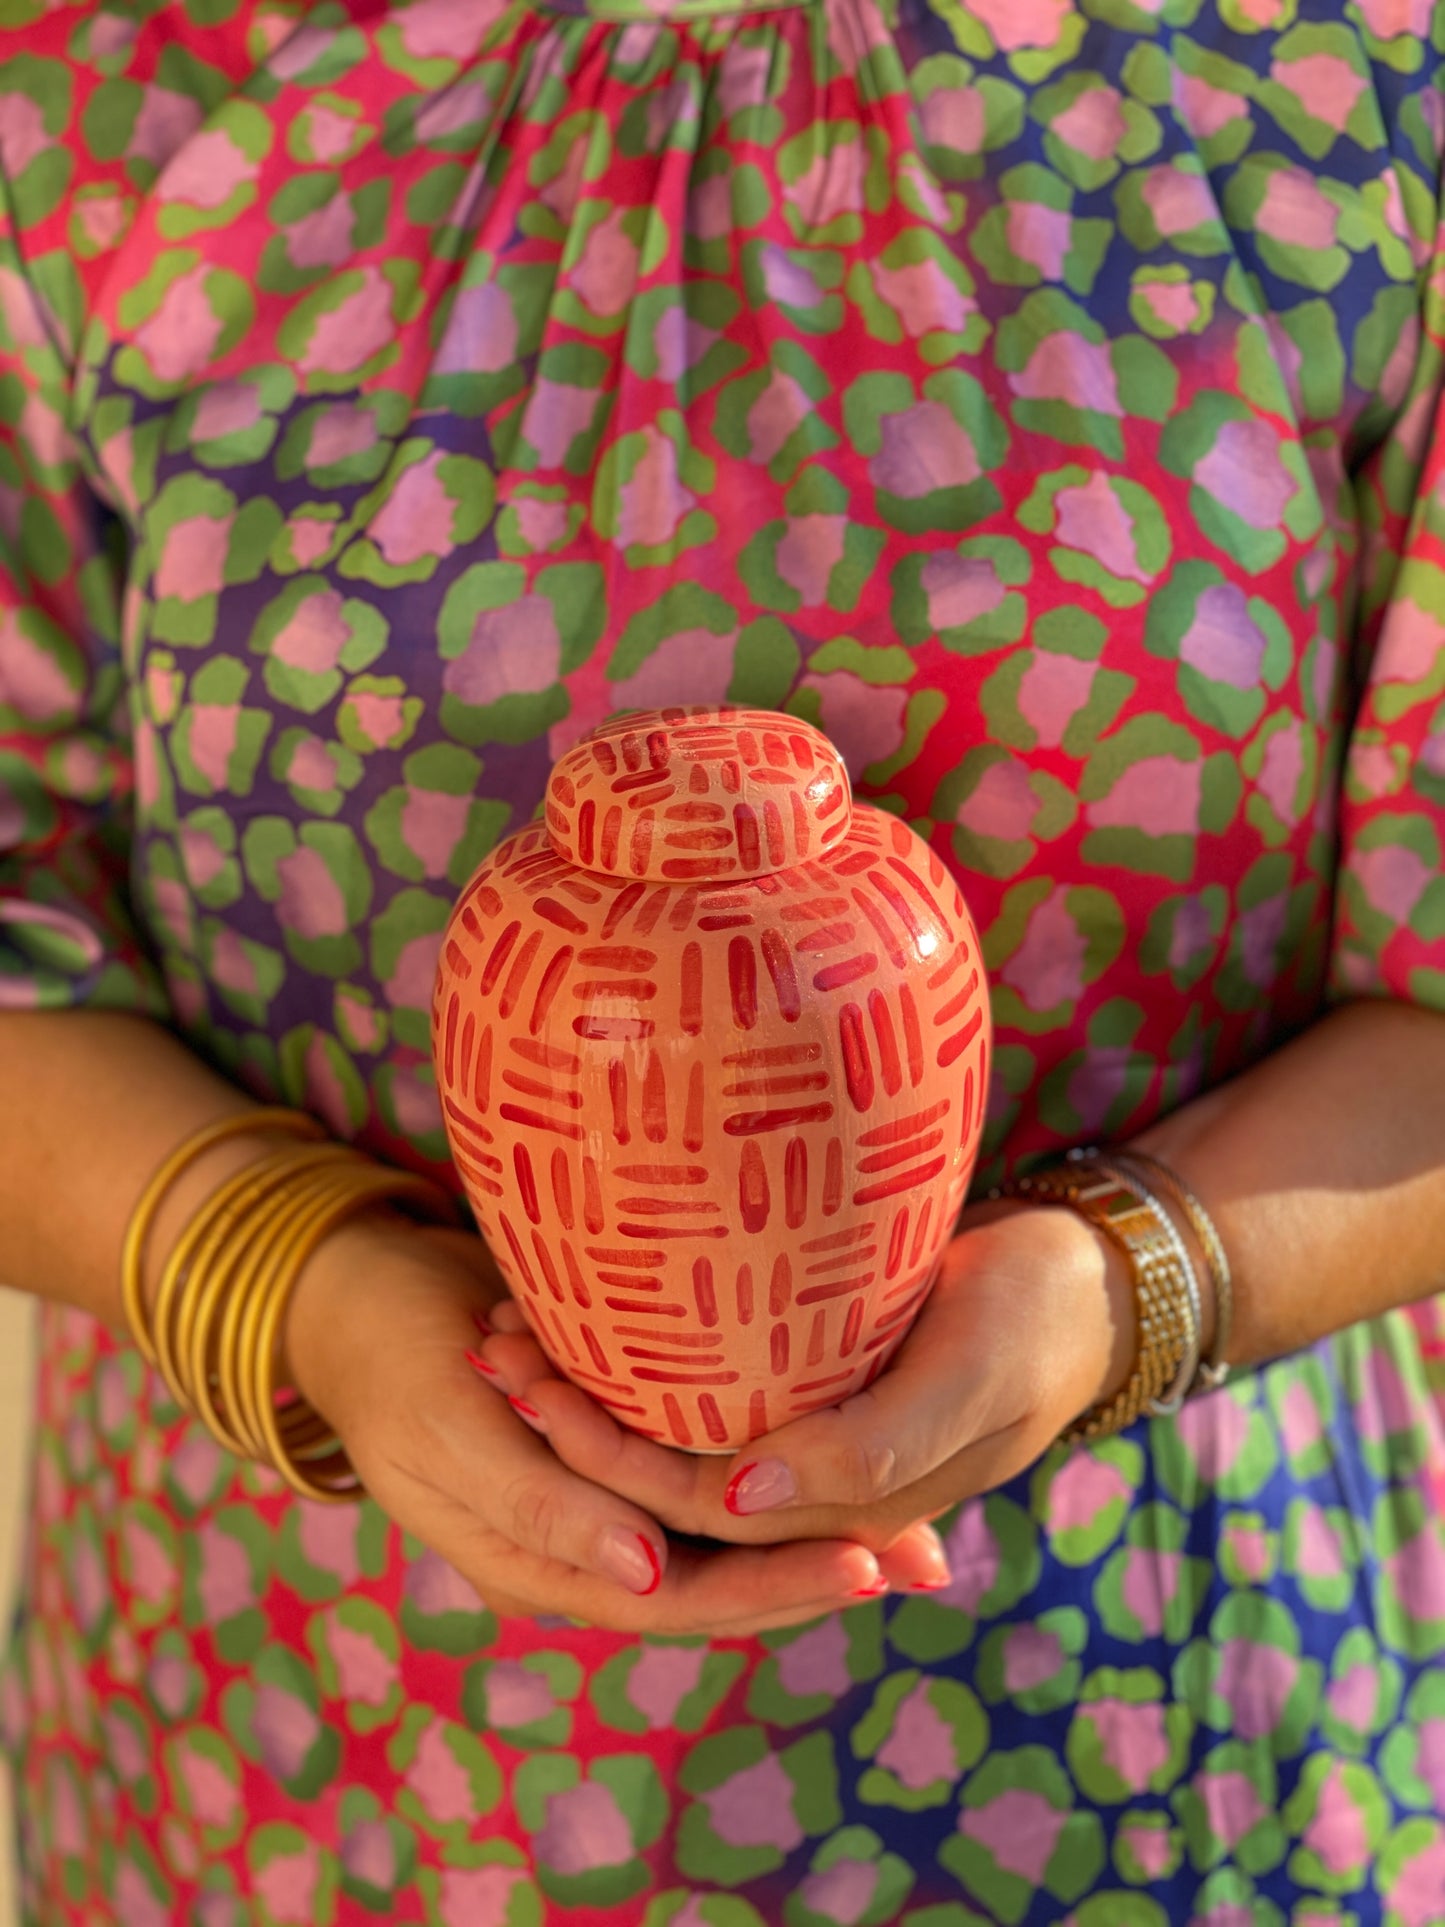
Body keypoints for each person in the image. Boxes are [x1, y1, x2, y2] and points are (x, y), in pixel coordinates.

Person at [1, 0, 1443, 1919]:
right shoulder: (98, 96)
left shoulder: (1351, 80)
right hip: (309, 1763)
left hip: (1145, 1754)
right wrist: (304, 1298)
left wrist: (1121, 1289)